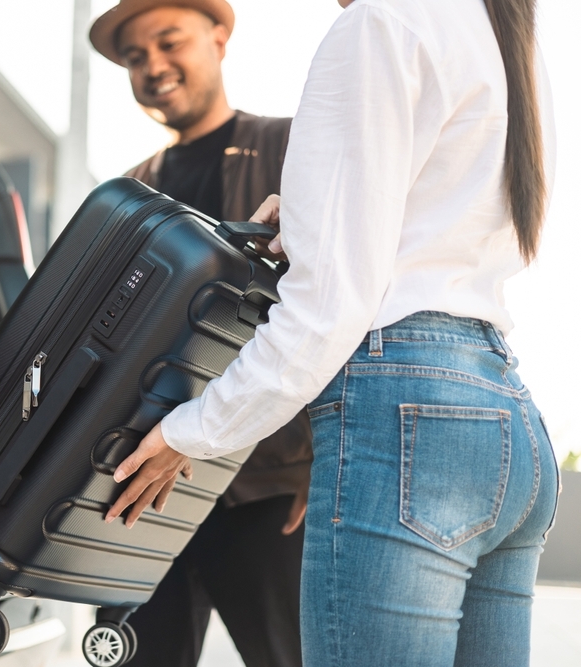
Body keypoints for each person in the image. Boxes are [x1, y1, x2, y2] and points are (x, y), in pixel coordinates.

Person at [106, 0, 559, 665]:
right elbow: (448, 209)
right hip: (501, 408)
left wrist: (190, 431)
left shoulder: (378, 23)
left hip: (402, 418)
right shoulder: (499, 30)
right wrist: (315, 221)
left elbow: (327, 308)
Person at [89, 2, 310, 665]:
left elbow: (342, 303)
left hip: (267, 486)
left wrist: (328, 459)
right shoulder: (130, 191)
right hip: (141, 496)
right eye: (135, 56)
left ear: (219, 38)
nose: (153, 65)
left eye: (168, 41)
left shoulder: (288, 146)